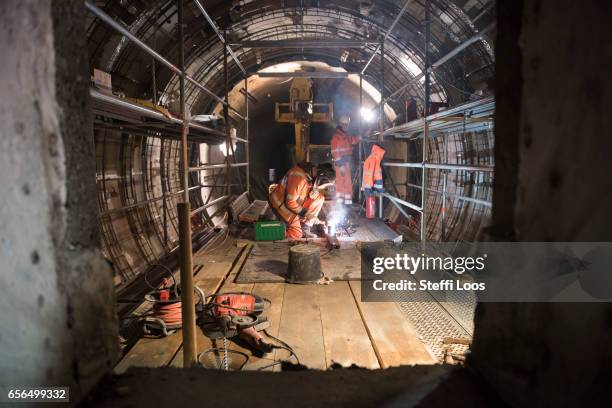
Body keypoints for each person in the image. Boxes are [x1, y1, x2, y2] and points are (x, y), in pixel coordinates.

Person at [268, 162, 336, 239]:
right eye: (325, 184)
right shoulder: (299, 177)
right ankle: (275, 232)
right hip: (280, 204)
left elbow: (304, 190)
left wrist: (313, 191)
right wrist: (308, 214)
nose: (323, 187)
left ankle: (305, 228)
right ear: (321, 177)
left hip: (290, 203)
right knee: (296, 234)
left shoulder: (309, 175)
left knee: (319, 198)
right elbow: (290, 202)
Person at [331, 115, 360, 206]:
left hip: (346, 162)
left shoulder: (345, 135)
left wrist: (360, 137)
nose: (347, 126)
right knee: (341, 182)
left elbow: (352, 140)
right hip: (341, 163)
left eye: (347, 125)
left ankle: (347, 202)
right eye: (345, 124)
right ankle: (341, 203)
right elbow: (334, 151)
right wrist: (341, 165)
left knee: (347, 182)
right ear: (341, 124)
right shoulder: (337, 137)